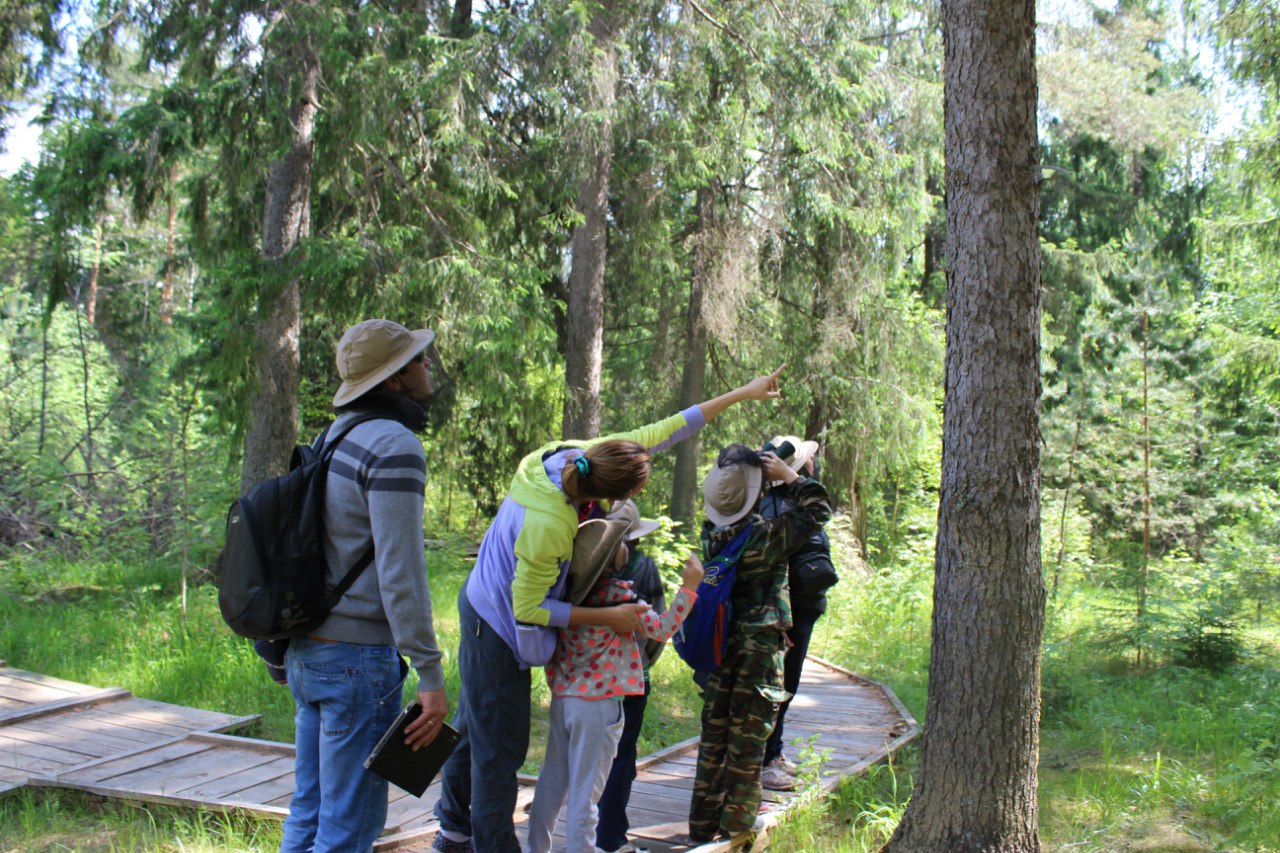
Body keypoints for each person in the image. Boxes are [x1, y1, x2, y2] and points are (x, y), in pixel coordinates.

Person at [433, 366, 785, 853]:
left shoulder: (574, 456)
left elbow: (670, 428)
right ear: (611, 498)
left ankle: (452, 832)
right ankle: (489, 843)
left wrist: (743, 394)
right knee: (501, 746)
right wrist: (612, 617)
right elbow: (529, 607)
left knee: (479, 728)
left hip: (504, 620)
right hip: (494, 621)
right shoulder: (551, 524)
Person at [281, 319, 451, 853]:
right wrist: (429, 670)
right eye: (419, 360)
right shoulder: (394, 444)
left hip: (309, 651)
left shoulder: (333, 436)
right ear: (394, 380)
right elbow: (400, 570)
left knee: (308, 814)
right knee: (348, 830)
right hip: (356, 661)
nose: (429, 366)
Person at [526, 519, 703, 853]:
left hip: (564, 700)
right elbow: (663, 628)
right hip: (599, 707)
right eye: (622, 541)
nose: (628, 544)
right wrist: (690, 586)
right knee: (586, 795)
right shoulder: (623, 599)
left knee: (551, 786)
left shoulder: (567, 600)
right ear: (610, 559)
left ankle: (536, 848)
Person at [687, 443, 832, 844]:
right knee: (748, 739)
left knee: (714, 735)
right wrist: (790, 477)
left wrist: (748, 485)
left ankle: (701, 826)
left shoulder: (713, 532)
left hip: (720, 645)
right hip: (757, 650)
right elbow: (818, 510)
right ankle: (737, 831)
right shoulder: (764, 535)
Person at [755, 436, 838, 792]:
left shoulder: (790, 501)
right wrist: (780, 619)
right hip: (786, 617)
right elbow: (772, 567)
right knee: (777, 688)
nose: (812, 466)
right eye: (807, 463)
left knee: (786, 686)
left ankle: (773, 752)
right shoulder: (778, 508)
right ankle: (764, 761)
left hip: (799, 613)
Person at [594, 501, 664, 853]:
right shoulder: (645, 567)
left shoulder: (586, 566)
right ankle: (611, 838)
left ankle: (584, 835)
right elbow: (658, 629)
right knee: (622, 757)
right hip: (633, 679)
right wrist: (643, 664)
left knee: (587, 756)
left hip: (589, 680)